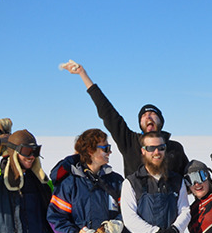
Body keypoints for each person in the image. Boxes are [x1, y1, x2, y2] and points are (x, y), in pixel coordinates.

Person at [60, 60, 188, 176]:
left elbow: (189, 180)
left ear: (161, 121)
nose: (148, 116)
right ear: (140, 123)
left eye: (153, 114)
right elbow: (108, 113)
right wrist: (83, 74)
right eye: (144, 115)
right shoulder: (130, 142)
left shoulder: (175, 148)